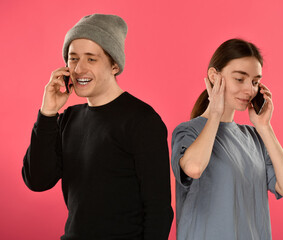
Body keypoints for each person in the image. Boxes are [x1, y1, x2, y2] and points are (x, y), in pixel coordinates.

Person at [22, 14, 173, 239]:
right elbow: (37, 180)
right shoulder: (68, 119)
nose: (78, 68)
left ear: (114, 65)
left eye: (91, 59)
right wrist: (48, 113)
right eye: (73, 59)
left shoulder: (142, 120)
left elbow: (159, 209)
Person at [171, 38, 283, 239]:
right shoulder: (188, 132)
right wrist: (215, 113)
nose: (250, 90)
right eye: (240, 79)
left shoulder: (255, 138)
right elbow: (194, 168)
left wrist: (265, 128)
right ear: (214, 76)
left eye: (255, 81)